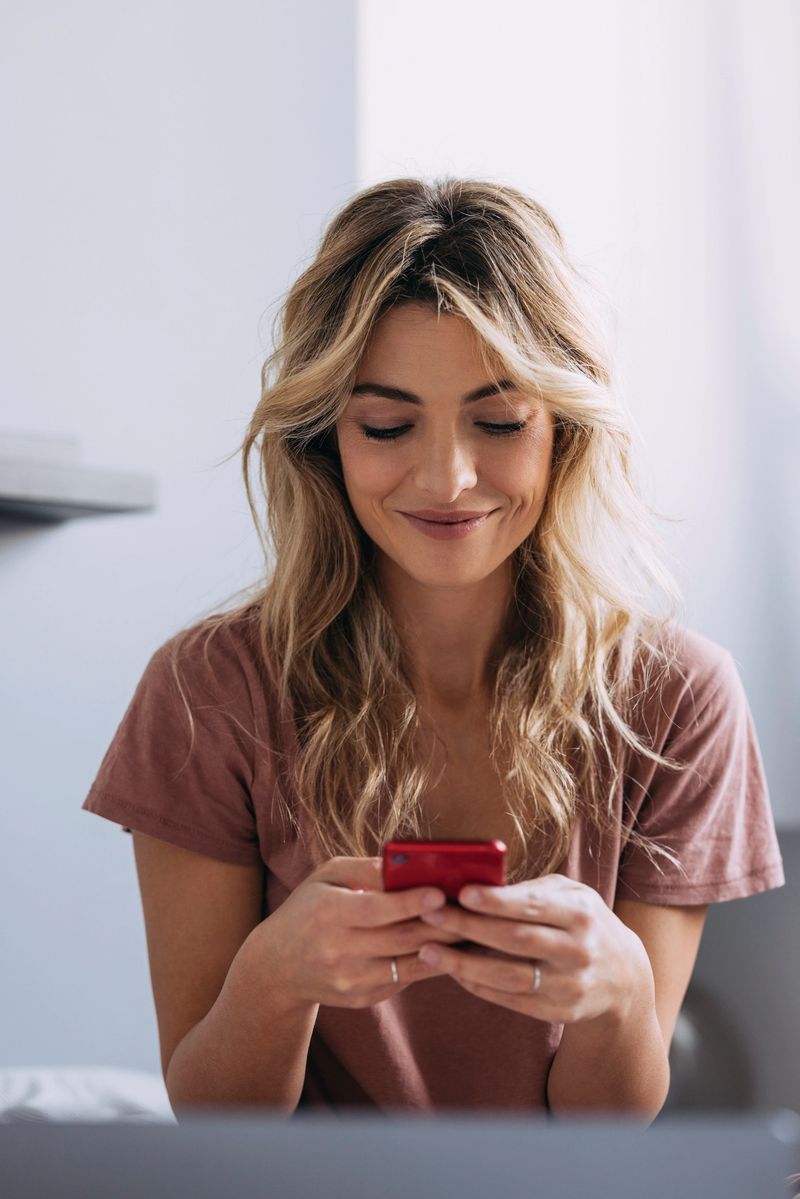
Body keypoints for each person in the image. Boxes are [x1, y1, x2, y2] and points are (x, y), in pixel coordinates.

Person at [81, 176, 785, 1123]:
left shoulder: (677, 697)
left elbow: (609, 1131)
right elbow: (216, 1120)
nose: (449, 479)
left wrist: (617, 991)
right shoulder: (210, 690)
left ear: (563, 432)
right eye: (387, 424)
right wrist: (274, 979)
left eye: (499, 422)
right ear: (326, 436)